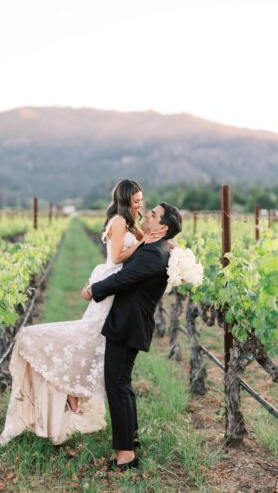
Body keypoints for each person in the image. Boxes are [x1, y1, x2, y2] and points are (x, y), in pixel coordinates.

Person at [0, 179, 161, 446]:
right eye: (136, 199)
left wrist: (163, 245)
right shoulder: (119, 221)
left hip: (122, 286)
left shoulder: (132, 222)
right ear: (125, 198)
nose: (141, 203)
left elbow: (148, 243)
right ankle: (70, 391)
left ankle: (72, 393)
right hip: (113, 282)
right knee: (91, 338)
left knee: (96, 341)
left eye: (142, 199)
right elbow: (118, 257)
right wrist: (143, 245)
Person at [82, 202, 182, 471]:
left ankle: (126, 454)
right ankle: (129, 446)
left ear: (162, 227)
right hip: (131, 323)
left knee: (117, 384)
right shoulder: (158, 248)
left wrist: (94, 289)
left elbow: (124, 279)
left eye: (153, 214)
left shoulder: (153, 254)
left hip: (128, 324)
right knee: (121, 384)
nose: (147, 213)